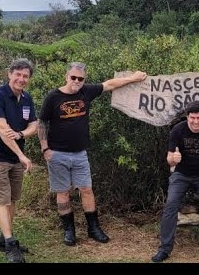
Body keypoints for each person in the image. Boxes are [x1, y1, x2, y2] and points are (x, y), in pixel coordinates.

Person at [38, 62, 146, 246]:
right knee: (63, 193)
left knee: (87, 189)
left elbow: (109, 84)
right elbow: (42, 123)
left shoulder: (86, 91)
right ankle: (69, 230)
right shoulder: (53, 97)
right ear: (66, 76)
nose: (76, 81)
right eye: (73, 77)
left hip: (80, 153)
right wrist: (45, 149)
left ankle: (93, 228)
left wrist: (133, 78)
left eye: (80, 78)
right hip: (57, 153)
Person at [151, 101, 199, 263]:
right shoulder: (178, 130)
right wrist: (173, 159)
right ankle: (164, 248)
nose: (195, 121)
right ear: (187, 117)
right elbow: (169, 159)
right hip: (182, 174)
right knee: (171, 202)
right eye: (192, 118)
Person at [0, 58, 38, 263]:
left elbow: (34, 125)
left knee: (13, 200)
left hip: (15, 157)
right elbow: (3, 131)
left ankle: (3, 240)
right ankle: (11, 245)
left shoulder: (27, 99)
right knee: (2, 201)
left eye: (25, 76)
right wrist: (22, 155)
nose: (21, 79)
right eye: (18, 75)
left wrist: (22, 134)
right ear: (9, 74)